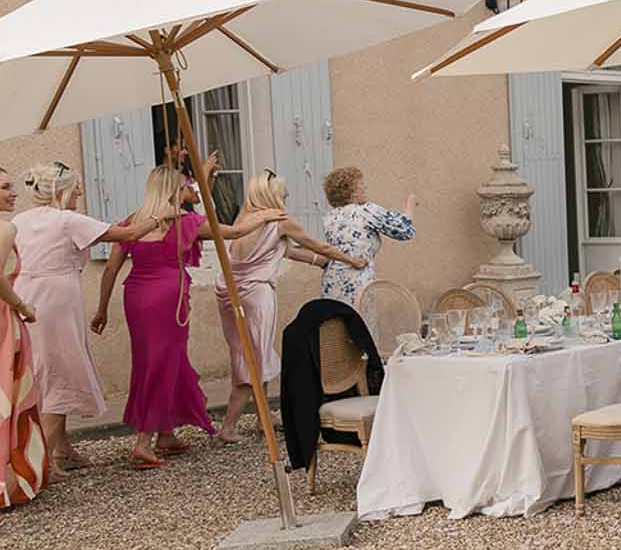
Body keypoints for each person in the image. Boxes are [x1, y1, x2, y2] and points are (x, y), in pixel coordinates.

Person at [92, 160, 283, 469]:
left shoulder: (133, 221)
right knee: (161, 363)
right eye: (185, 185)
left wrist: (101, 309)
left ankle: (165, 434)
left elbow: (112, 268)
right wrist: (264, 214)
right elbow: (233, 232)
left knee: (158, 361)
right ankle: (143, 441)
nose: (189, 189)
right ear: (174, 190)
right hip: (168, 297)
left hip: (136, 297)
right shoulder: (186, 223)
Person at [12, 162, 166, 475]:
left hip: (29, 294)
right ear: (63, 191)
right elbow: (128, 233)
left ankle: (63, 450)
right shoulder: (66, 220)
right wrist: (158, 217)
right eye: (76, 191)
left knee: (47, 369)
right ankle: (40, 462)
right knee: (59, 373)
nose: (79, 195)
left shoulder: (20, 220)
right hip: (56, 301)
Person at [214, 172, 366, 439]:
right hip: (257, 294)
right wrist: (351, 260)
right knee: (254, 358)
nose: (287, 195)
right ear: (272, 194)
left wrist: (316, 262)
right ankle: (228, 426)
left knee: (247, 352)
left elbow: (282, 250)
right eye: (283, 191)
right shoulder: (280, 220)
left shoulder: (244, 219)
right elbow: (318, 244)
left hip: (229, 293)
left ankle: (264, 418)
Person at [0, 168, 51, 509]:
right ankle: (10, 477)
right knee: (8, 394)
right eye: (5, 187)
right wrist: (22, 306)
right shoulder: (5, 228)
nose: (13, 192)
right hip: (4, 318)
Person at [319, 167, 416, 308]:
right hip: (357, 283)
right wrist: (410, 205)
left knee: (336, 327)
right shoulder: (366, 211)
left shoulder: (329, 218)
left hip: (331, 283)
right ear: (352, 190)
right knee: (361, 327)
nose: (364, 187)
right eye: (360, 183)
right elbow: (405, 230)